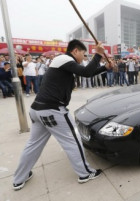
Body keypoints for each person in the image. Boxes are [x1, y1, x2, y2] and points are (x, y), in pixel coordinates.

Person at [12, 40, 110, 191]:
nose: (83, 59)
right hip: (53, 111)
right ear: (75, 51)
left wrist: (104, 67)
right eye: (83, 55)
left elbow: (86, 73)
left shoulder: (63, 63)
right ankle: (85, 173)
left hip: (38, 110)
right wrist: (98, 53)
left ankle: (19, 178)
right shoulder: (64, 58)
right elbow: (86, 71)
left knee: (33, 145)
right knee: (73, 141)